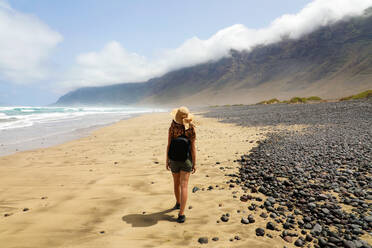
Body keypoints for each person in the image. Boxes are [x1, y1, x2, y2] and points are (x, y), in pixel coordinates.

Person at [166, 106, 196, 223]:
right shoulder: (191, 129)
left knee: (176, 183)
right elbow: (193, 148)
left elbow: (168, 145)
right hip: (186, 160)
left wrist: (167, 160)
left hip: (173, 159)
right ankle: (181, 214)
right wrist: (194, 162)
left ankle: (178, 203)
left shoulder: (172, 127)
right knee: (184, 185)